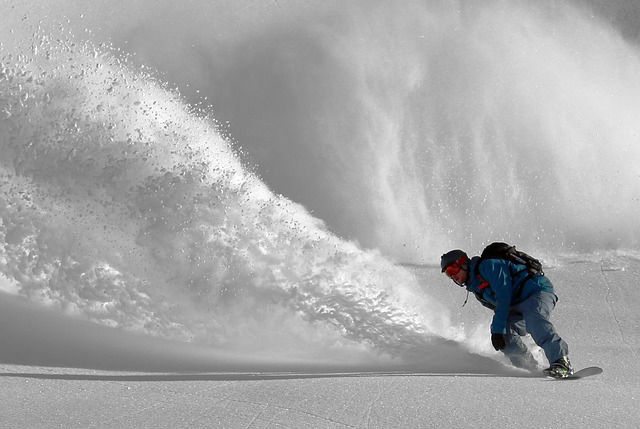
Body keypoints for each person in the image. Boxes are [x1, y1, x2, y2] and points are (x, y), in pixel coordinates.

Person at [440, 248, 573, 378]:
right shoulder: (476, 288)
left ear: (463, 264)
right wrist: (499, 331)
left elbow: (503, 296)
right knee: (504, 334)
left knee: (534, 320)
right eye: (448, 274)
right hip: (516, 305)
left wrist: (497, 329)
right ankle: (529, 367)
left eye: (453, 270)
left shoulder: (488, 266)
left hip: (536, 292)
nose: (453, 277)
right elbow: (500, 308)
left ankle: (561, 362)